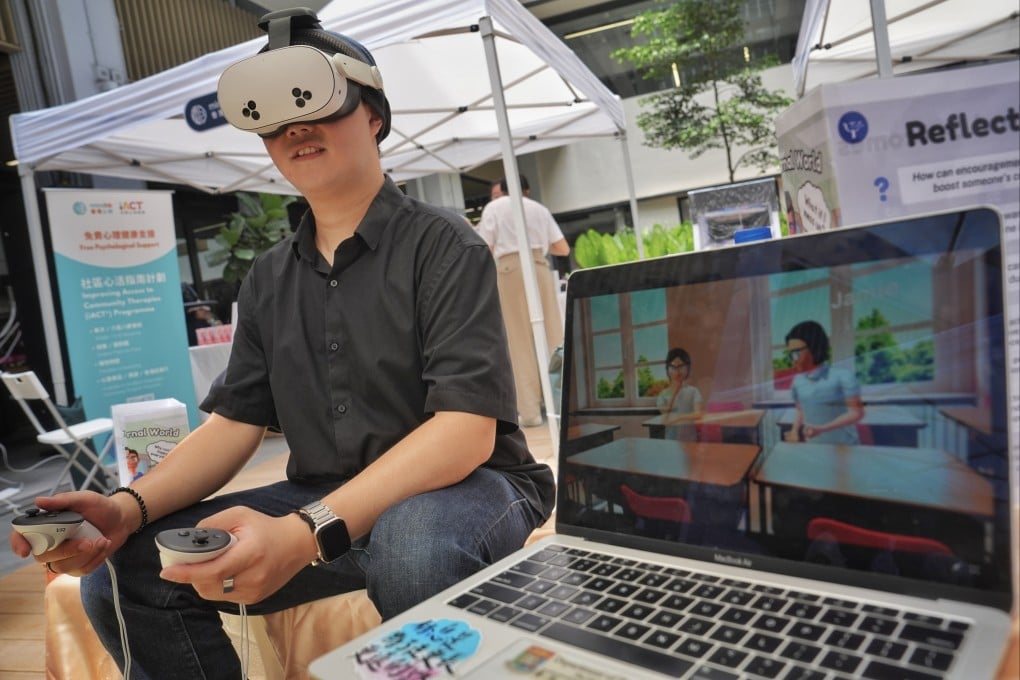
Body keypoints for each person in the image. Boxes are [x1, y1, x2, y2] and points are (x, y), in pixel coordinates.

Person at [9, 9, 554, 678]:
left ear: (374, 115)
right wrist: (127, 508)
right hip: (323, 492)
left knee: (414, 544)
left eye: (316, 104)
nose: (296, 128)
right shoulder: (268, 279)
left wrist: (306, 532)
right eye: (273, 119)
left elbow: (465, 431)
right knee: (130, 568)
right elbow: (233, 424)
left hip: (473, 486)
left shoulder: (444, 245)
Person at [477, 174, 569, 427]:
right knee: (552, 338)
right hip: (539, 266)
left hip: (509, 270)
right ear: (526, 190)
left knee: (518, 343)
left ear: (502, 189)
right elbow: (563, 248)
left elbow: (484, 248)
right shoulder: (538, 208)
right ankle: (562, 405)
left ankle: (529, 412)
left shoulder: (494, 208)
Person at [783, 320, 864, 444]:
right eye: (790, 355)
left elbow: (856, 413)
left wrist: (822, 429)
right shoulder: (797, 381)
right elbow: (801, 410)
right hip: (814, 448)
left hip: (845, 448)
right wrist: (794, 431)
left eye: (796, 353)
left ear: (815, 347)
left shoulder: (842, 376)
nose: (792, 360)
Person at [656, 347, 703, 441]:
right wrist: (674, 392)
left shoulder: (694, 391)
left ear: (687, 368)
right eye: (673, 367)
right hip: (671, 441)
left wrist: (679, 417)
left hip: (690, 440)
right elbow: (665, 417)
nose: (677, 371)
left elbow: (698, 414)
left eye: (681, 366)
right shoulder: (663, 394)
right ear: (668, 369)